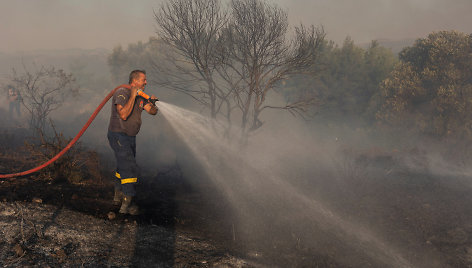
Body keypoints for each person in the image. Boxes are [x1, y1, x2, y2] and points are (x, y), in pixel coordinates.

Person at [107, 70, 158, 215]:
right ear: (135, 81)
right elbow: (123, 114)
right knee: (130, 167)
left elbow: (152, 111)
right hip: (118, 136)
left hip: (130, 137)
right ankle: (127, 204)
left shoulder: (141, 97)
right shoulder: (122, 93)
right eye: (144, 80)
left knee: (122, 166)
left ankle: (117, 199)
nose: (146, 82)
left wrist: (153, 103)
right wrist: (133, 96)